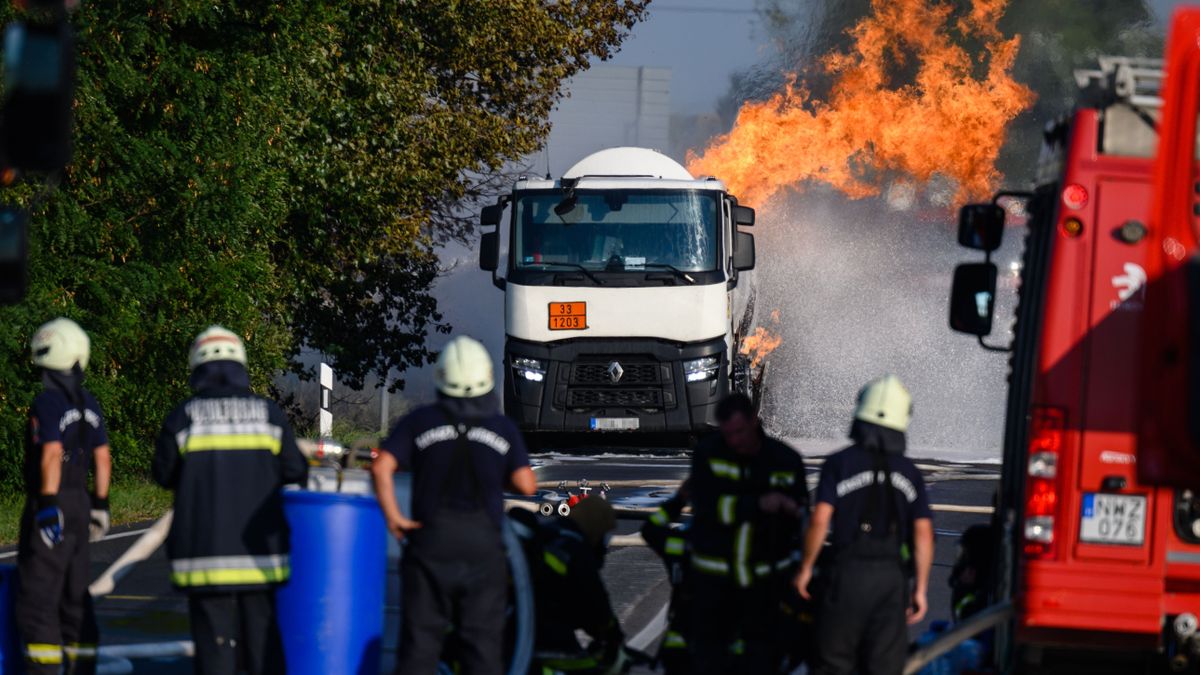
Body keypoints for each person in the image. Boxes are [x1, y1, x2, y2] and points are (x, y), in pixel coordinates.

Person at [371, 335, 537, 675]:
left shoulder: (421, 421)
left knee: (419, 647)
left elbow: (381, 465)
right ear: (487, 378)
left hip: (429, 546)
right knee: (482, 650)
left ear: (440, 376)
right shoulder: (501, 427)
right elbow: (526, 484)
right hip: (483, 550)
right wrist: (495, 477)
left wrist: (393, 518)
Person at [152, 325, 308, 675]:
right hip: (260, 556)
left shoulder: (183, 417)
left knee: (214, 649)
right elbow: (296, 471)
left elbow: (163, 475)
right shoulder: (268, 414)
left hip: (202, 556)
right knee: (263, 646)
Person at [795, 374, 935, 675]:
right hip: (890, 581)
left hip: (845, 576)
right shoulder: (910, 474)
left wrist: (806, 568)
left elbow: (820, 520)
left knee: (832, 663)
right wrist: (920, 588)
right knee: (884, 667)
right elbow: (923, 534)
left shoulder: (839, 464)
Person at [687, 393, 808, 675]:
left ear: (754, 420)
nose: (735, 441)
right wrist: (758, 505)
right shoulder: (708, 454)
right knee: (710, 662)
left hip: (766, 584)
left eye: (740, 432)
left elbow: (803, 518)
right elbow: (705, 507)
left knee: (764, 660)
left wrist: (792, 509)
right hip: (716, 582)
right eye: (728, 434)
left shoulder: (785, 460)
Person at [16, 318, 111, 674]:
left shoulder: (48, 403)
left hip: (54, 503)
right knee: (75, 596)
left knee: (38, 599)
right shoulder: (90, 404)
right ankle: (82, 668)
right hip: (82, 503)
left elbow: (52, 454)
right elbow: (102, 458)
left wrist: (47, 505)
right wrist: (100, 506)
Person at [519, 497, 627, 675]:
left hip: (516, 623)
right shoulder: (575, 550)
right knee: (587, 668)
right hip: (543, 634)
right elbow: (595, 603)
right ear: (595, 527)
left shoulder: (547, 532)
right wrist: (613, 634)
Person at [639, 483, 692, 674]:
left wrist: (678, 501)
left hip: (681, 637)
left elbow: (650, 530)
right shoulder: (737, 541)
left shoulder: (682, 542)